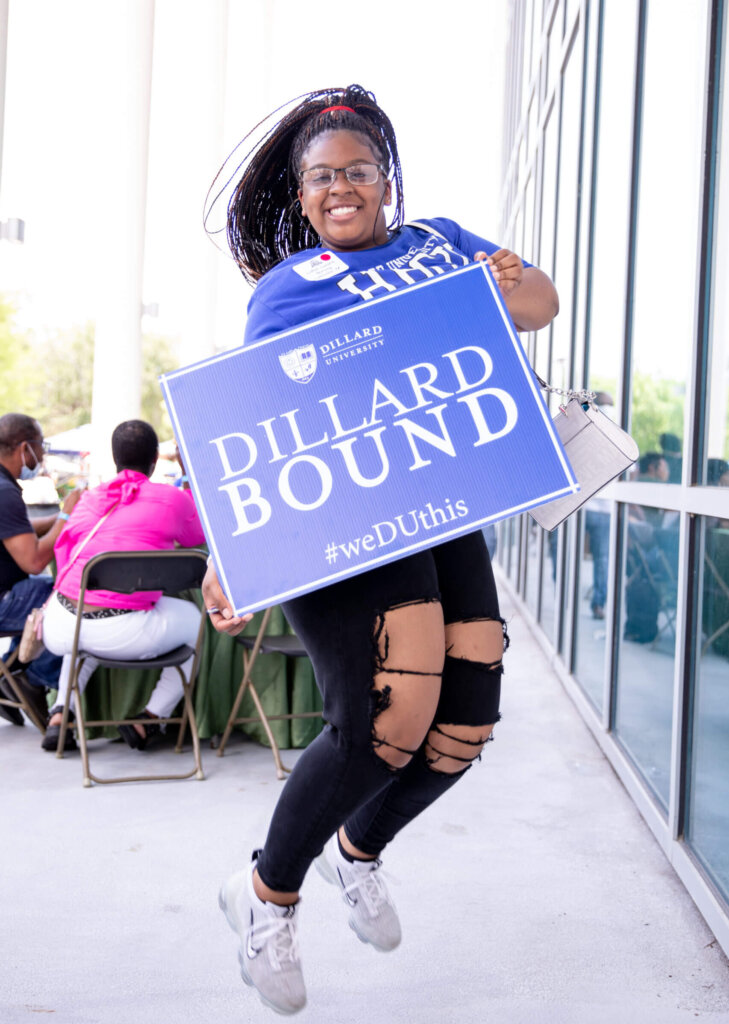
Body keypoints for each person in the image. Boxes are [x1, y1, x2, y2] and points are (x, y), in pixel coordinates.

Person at [203, 85, 559, 1015]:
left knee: (466, 717)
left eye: (358, 170)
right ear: (305, 193)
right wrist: (229, 551)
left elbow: (539, 304)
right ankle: (265, 897)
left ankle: (356, 854)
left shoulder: (439, 241)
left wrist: (502, 277)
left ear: (386, 180)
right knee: (387, 719)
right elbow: (259, 429)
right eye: (322, 177)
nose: (341, 187)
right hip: (346, 522)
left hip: (444, 507)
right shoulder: (287, 291)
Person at [41, 419, 205, 752]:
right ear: (155, 459)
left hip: (61, 624)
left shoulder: (88, 500)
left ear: (114, 458)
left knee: (82, 639)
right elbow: (197, 537)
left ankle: (60, 714)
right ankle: (150, 718)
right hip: (122, 631)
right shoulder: (171, 499)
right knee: (197, 621)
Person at [0, 413, 82, 727]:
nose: (43, 455)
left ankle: (11, 667)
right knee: (69, 597)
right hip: (5, 599)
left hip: (7, 592)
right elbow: (33, 560)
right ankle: (33, 677)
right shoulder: (5, 493)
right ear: (25, 448)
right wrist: (65, 519)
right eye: (40, 446)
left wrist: (61, 517)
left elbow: (16, 530)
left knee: (47, 588)